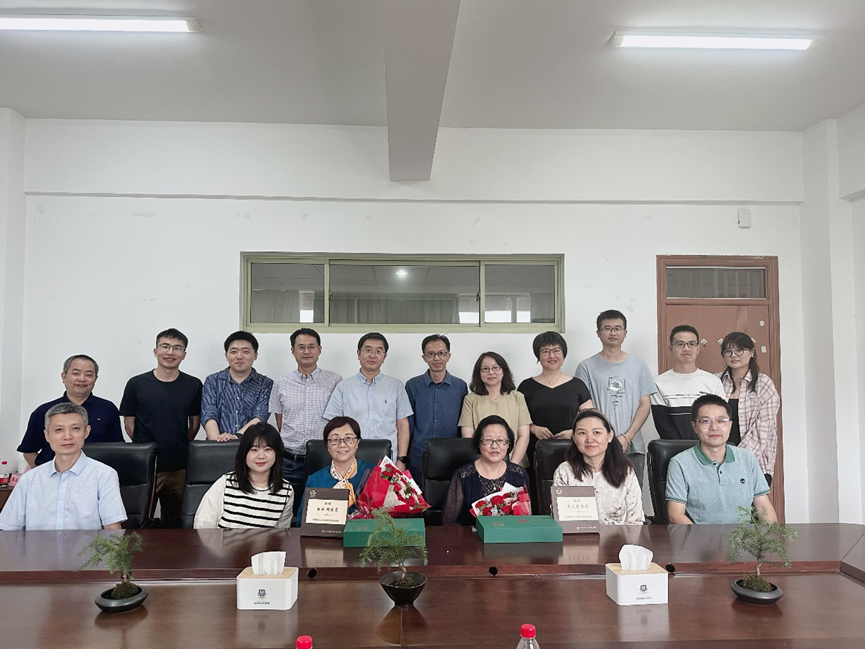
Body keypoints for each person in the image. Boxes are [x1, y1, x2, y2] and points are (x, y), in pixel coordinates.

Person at [120, 328, 202, 528]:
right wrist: (144, 448)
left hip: (179, 466)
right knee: (140, 521)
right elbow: (129, 424)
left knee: (177, 521)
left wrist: (179, 444)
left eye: (177, 348)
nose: (170, 352)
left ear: (184, 354)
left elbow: (194, 423)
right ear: (155, 351)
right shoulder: (136, 384)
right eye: (165, 346)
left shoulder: (193, 385)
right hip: (146, 465)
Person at [0, 403, 126, 530]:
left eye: (75, 428)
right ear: (47, 435)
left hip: (87, 544)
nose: (67, 437)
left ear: (86, 432)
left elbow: (112, 530)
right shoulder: (29, 479)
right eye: (59, 430)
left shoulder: (104, 475)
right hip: (37, 544)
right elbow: (9, 530)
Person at [666, 394, 776, 524]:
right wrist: (701, 537)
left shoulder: (747, 458)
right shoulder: (679, 463)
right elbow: (675, 514)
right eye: (705, 421)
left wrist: (771, 535)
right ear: (694, 426)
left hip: (743, 536)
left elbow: (764, 508)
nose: (714, 427)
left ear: (730, 425)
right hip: (700, 535)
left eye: (721, 421)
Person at [575, 310, 656, 485]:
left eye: (618, 328)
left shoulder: (639, 365)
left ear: (625, 333)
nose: (613, 332)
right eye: (607, 328)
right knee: (596, 495)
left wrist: (626, 437)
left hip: (632, 447)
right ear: (598, 333)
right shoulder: (586, 367)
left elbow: (645, 405)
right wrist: (604, 438)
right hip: (596, 447)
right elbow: (585, 409)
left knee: (632, 496)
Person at [269, 327, 341, 503]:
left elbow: (339, 420)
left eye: (311, 346)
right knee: (288, 509)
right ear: (293, 351)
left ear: (319, 349)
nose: (306, 351)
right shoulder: (281, 382)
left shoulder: (335, 381)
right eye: (301, 347)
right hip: (290, 461)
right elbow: (280, 419)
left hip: (325, 459)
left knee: (323, 510)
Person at [324, 333, 413, 470]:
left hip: (388, 462)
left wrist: (401, 460)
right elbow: (333, 425)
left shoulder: (396, 386)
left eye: (378, 351)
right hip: (351, 460)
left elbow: (402, 425)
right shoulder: (344, 387)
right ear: (358, 353)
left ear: (384, 356)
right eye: (368, 350)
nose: (373, 355)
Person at [17, 354, 123, 468]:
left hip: (96, 476)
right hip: (54, 475)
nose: (82, 379)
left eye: (89, 375)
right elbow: (29, 451)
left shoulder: (108, 409)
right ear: (64, 376)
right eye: (76, 373)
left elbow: (117, 450)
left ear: (95, 379)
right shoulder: (44, 411)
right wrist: (46, 474)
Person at [552, 409, 644, 525]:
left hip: (621, 536)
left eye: (596, 432)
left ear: (609, 436)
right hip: (578, 536)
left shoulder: (626, 471)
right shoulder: (565, 471)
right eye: (582, 433)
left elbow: (635, 521)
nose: (589, 439)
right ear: (574, 438)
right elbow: (560, 520)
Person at [194, 422, 293, 528]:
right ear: (244, 453)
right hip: (220, 539)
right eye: (254, 450)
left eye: (268, 449)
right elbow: (203, 525)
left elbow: (282, 534)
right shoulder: (226, 483)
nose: (261, 456)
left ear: (277, 452)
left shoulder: (286, 490)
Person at [518, 331, 593, 463]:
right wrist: (534, 429)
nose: (551, 356)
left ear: (563, 353)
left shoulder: (577, 385)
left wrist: (574, 432)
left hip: (572, 448)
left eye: (556, 350)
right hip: (535, 450)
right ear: (538, 355)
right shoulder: (526, 386)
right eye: (545, 351)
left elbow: (590, 418)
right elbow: (517, 419)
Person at [716, 331, 780, 485]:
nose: (734, 355)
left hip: (755, 462)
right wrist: (719, 457)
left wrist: (734, 459)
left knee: (751, 502)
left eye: (739, 350)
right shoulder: (715, 381)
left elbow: (762, 430)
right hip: (717, 462)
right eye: (728, 351)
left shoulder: (763, 384)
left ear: (752, 352)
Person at [443, 415, 530, 525]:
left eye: (500, 440)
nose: (494, 446)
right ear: (479, 443)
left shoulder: (519, 474)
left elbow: (527, 518)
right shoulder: (463, 476)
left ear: (508, 444)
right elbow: (448, 523)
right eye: (488, 440)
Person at [404, 334, 468, 481]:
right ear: (424, 357)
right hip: (419, 454)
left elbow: (463, 422)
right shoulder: (413, 385)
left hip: (452, 454)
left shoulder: (460, 386)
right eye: (431, 354)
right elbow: (408, 423)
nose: (436, 358)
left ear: (448, 356)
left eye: (441, 353)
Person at [651, 325, 726, 440]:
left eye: (691, 344)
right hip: (674, 448)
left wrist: (706, 445)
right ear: (671, 349)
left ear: (698, 349)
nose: (686, 348)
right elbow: (663, 424)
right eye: (680, 344)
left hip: (708, 447)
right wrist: (683, 449)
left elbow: (720, 419)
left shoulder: (713, 382)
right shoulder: (658, 383)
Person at [296, 417, 374, 524]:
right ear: (327, 445)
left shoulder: (374, 474)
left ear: (357, 443)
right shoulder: (315, 480)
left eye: (348, 438)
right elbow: (301, 523)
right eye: (335, 439)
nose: (342, 444)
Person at [459, 352, 531, 465]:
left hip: (515, 462)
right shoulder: (470, 399)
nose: (491, 372)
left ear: (504, 371)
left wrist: (512, 466)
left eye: (496, 368)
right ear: (478, 373)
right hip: (480, 465)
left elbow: (524, 435)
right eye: (485, 369)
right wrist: (482, 466)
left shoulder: (517, 397)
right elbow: (468, 437)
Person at [201, 331, 273, 442]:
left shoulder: (266, 383)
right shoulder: (212, 381)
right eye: (234, 352)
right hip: (217, 445)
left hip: (252, 446)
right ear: (226, 355)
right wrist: (217, 443)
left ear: (255, 355)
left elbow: (260, 416)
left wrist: (237, 437)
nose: (239, 356)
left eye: (245, 351)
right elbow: (209, 414)